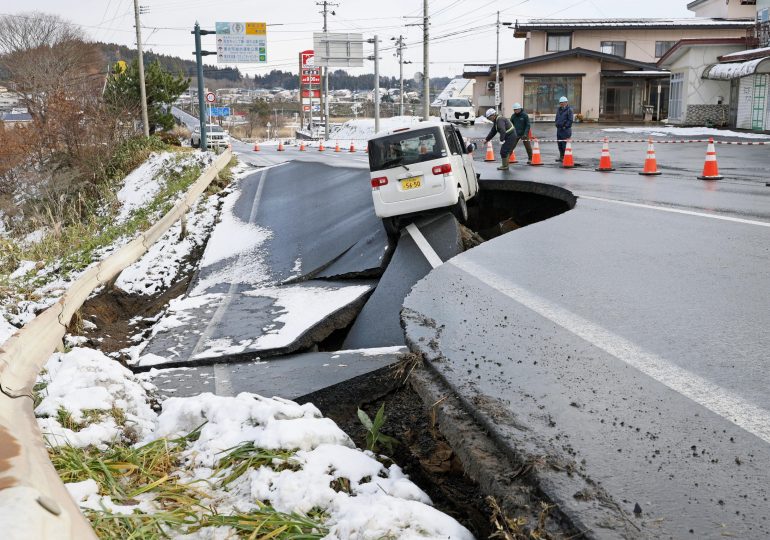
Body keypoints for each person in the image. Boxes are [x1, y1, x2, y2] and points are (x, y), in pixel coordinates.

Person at [555, 96, 573, 162]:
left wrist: (566, 126)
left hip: (565, 130)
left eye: (562, 103)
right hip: (559, 129)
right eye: (560, 103)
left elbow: (570, 120)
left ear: (566, 102)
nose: (561, 104)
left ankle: (566, 157)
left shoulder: (569, 110)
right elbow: (557, 118)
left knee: (564, 144)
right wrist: (556, 124)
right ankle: (561, 157)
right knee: (559, 144)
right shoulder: (559, 109)